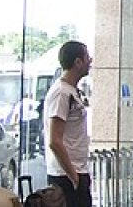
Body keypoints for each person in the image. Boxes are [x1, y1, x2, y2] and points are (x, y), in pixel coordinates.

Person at [45, 41, 94, 207]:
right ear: (77, 62)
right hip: (66, 176)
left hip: (78, 171)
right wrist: (73, 176)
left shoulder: (72, 90)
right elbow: (55, 141)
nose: (90, 60)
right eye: (87, 57)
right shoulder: (61, 92)